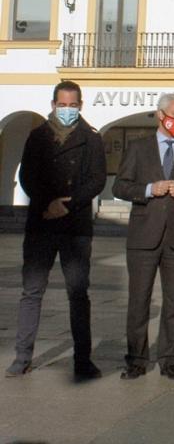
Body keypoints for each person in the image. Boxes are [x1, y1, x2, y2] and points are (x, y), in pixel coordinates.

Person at [5, 80, 106, 381]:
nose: (67, 110)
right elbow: (27, 176)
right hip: (41, 223)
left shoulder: (92, 139)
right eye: (61, 105)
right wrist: (48, 203)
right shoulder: (37, 136)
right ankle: (22, 357)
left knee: (78, 293)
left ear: (80, 106)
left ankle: (82, 361)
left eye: (72, 105)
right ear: (52, 105)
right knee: (31, 291)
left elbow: (97, 179)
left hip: (75, 227)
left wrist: (68, 204)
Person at [113, 93, 174, 381]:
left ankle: (170, 360)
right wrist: (148, 189)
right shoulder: (139, 148)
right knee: (138, 302)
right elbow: (120, 186)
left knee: (173, 302)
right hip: (143, 237)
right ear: (160, 115)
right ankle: (136, 360)